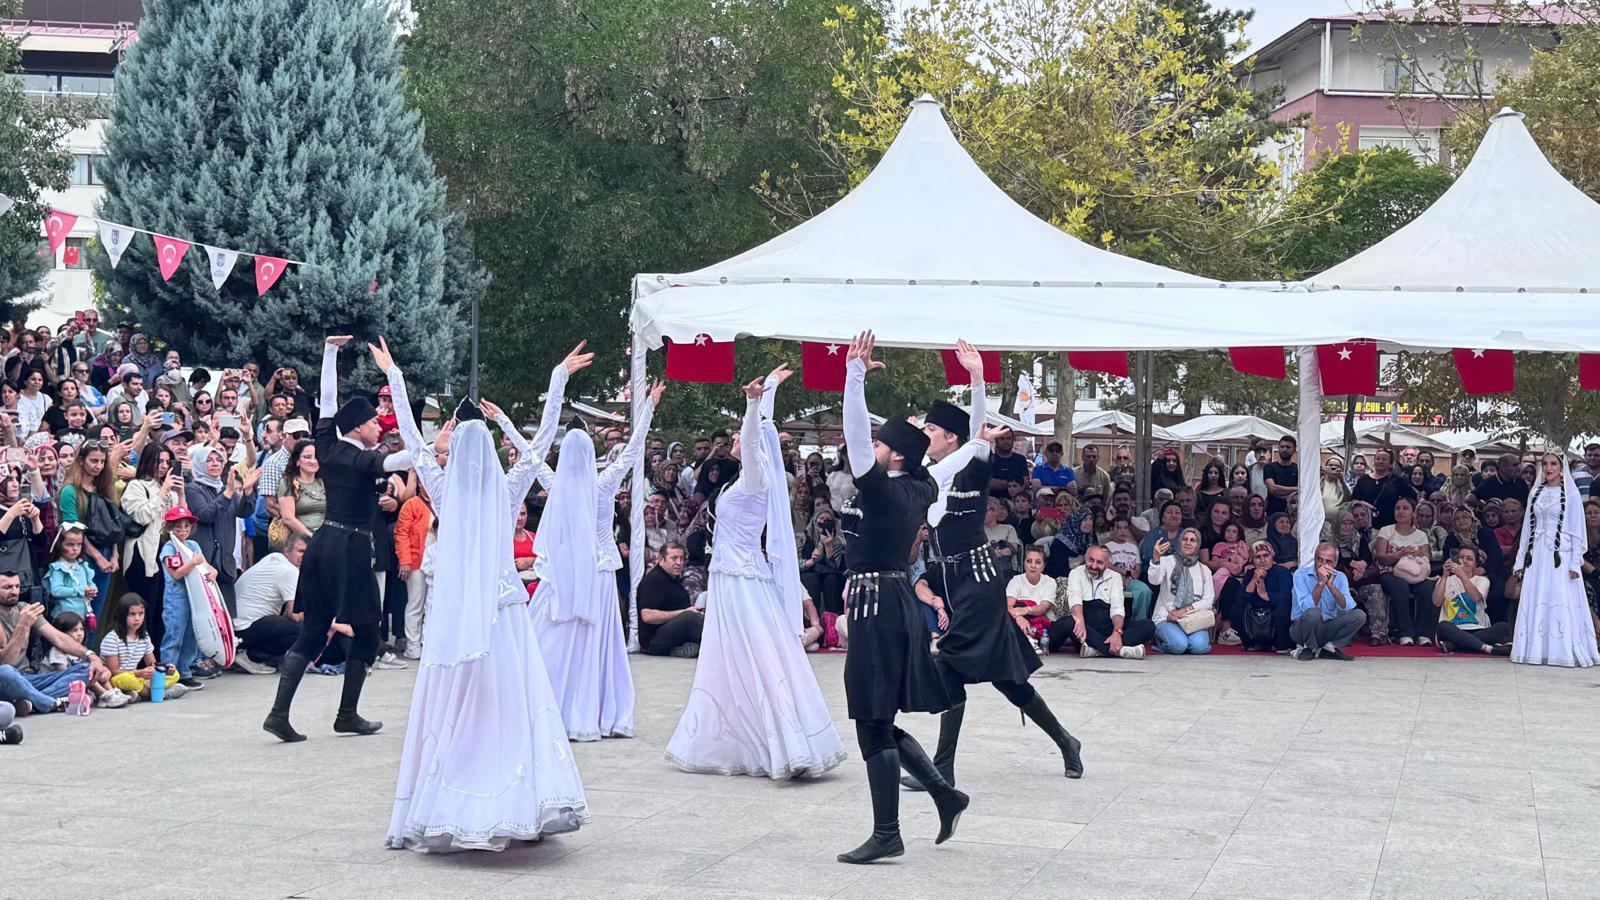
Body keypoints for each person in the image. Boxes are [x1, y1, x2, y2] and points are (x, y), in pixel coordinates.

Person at [379, 339, 590, 852]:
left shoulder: (442, 484)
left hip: (459, 617)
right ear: (492, 451)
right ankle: (522, 800)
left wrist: (396, 376)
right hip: (506, 612)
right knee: (513, 704)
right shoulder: (510, 486)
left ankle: (458, 798)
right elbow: (540, 442)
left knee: (461, 706)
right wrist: (557, 377)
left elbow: (411, 434)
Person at [905, 340, 1081, 797]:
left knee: (949, 667)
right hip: (948, 576)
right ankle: (1066, 739)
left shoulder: (974, 463)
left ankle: (941, 770)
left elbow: (978, 423)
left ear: (951, 437)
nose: (925, 434)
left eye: (931, 429)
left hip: (980, 580)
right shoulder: (929, 473)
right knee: (1007, 679)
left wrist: (978, 378)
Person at [665, 365, 845, 779]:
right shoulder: (738, 482)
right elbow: (755, 433)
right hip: (730, 576)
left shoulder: (755, 480)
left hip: (742, 577)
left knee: (758, 652)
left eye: (739, 440)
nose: (733, 443)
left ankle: (783, 737)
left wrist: (751, 403)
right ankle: (736, 735)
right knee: (730, 655)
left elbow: (751, 436)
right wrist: (769, 393)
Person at [834, 331, 966, 866]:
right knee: (878, 718)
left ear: (894, 457)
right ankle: (943, 793)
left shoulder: (889, 490)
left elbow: (855, 440)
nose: (870, 447)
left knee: (871, 718)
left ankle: (888, 832)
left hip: (878, 608)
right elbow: (955, 453)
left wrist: (855, 375)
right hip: (889, 606)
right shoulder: (921, 486)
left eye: (880, 444)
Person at [261, 336, 412, 743]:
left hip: (323, 543)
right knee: (367, 635)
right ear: (359, 426)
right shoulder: (357, 457)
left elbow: (328, 401)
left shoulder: (326, 444)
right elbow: (403, 459)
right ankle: (346, 714)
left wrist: (329, 351)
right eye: (374, 422)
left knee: (314, 630)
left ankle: (279, 714)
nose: (379, 425)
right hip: (351, 549)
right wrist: (435, 447)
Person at [530, 347, 660, 742]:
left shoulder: (556, 486)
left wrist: (503, 417)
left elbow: (533, 454)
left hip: (566, 575)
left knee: (555, 638)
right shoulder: (603, 486)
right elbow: (634, 451)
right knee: (599, 648)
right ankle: (596, 710)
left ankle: (551, 704)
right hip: (600, 572)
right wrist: (649, 409)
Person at [1511, 453, 1598, 667]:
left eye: (1553, 464)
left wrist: (1575, 561)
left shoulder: (1571, 494)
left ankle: (1563, 649)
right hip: (1538, 552)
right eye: (1545, 464)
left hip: (1561, 553)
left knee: (1560, 596)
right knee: (1538, 595)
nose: (1549, 468)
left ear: (1562, 467)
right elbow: (1527, 529)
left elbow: (1578, 530)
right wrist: (1520, 560)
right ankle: (1536, 649)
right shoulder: (1536, 492)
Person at [1058, 544, 1156, 658]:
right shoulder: (1076, 573)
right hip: (1087, 627)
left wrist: (1117, 632)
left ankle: (1097, 649)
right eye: (1091, 560)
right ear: (1085, 558)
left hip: (1108, 625)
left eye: (1099, 562)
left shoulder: (1115, 577)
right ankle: (1120, 651)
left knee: (1149, 626)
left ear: (1107, 564)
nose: (1094, 566)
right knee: (1070, 622)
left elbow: (1117, 608)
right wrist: (1079, 620)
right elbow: (1075, 598)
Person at [233, 533, 308, 672]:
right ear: (287, 551)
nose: (304, 556)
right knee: (301, 629)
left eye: (307, 552)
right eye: (300, 551)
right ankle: (251, 657)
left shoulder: (272, 559)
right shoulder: (290, 571)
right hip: (245, 629)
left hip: (236, 628)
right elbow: (294, 615)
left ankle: (246, 655)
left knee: (286, 624)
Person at [1289, 543, 1368, 661]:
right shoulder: (1300, 574)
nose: (1323, 565)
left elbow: (1348, 607)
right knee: (1313, 613)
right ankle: (1308, 647)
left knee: (1359, 615)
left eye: (1328, 561)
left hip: (1327, 626)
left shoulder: (1340, 577)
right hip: (1302, 628)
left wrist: (1331, 586)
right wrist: (1321, 584)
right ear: (1314, 560)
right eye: (1320, 560)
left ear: (1335, 563)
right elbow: (1306, 608)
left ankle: (1328, 648)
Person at [1375, 496, 1436, 647]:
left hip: (1415, 574)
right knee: (1400, 586)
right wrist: (1398, 555)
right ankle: (1405, 632)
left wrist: (1416, 554)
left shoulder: (1421, 535)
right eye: (1398, 508)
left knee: (1428, 588)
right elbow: (1381, 557)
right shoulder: (1386, 531)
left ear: (1413, 513)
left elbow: (1427, 557)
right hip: (1390, 573)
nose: (1400, 511)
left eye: (1405, 508)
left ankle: (1424, 633)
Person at [100, 594, 185, 701]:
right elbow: (114, 671)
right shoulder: (112, 638)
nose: (137, 618)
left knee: (175, 674)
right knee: (125, 679)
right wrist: (138, 673)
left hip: (138, 679)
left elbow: (152, 663)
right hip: (119, 678)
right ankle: (155, 693)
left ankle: (138, 693)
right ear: (122, 615)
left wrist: (165, 669)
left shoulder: (144, 636)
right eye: (132, 614)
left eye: (141, 614)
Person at [1147, 528, 1215, 655]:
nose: (1188, 543)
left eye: (1192, 540)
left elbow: (1208, 601)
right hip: (1167, 617)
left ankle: (1182, 639)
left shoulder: (1204, 570)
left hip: (1193, 619)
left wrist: (1183, 611)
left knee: (1199, 647)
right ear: (1180, 542)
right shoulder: (1167, 561)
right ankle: (1160, 641)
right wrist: (1156, 558)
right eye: (1185, 539)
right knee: (1179, 646)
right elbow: (1154, 580)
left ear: (1198, 544)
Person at [1433, 545, 1510, 655]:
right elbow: (1436, 602)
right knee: (1443, 626)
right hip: (1453, 629)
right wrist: (1445, 575)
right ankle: (1488, 648)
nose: (1464, 561)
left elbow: (1476, 597)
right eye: (1461, 557)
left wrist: (1462, 575)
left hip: (1477, 628)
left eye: (1469, 559)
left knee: (1504, 627)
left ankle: (1456, 645)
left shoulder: (1483, 580)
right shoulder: (1446, 580)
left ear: (1475, 564)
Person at [636, 544, 703, 657]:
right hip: (653, 641)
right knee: (691, 618)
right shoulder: (654, 580)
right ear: (661, 559)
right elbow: (647, 616)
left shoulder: (674, 579)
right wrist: (684, 612)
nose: (679, 563)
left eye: (681, 559)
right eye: (674, 558)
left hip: (672, 633)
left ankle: (685, 648)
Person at [275, 439, 326, 544]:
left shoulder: (324, 483)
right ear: (297, 460)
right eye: (307, 457)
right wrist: (311, 538)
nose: (313, 461)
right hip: (300, 542)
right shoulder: (288, 483)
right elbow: (288, 518)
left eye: (316, 457)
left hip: (326, 539)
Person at [1006, 546, 1055, 653]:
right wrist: (1019, 617)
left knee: (1022, 605)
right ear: (1024, 564)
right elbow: (1009, 606)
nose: (1033, 566)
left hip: (1043, 627)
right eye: (1029, 561)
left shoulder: (1050, 582)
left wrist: (1026, 610)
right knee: (1015, 607)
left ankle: (1031, 640)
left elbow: (1043, 608)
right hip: (1020, 624)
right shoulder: (1016, 580)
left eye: (1038, 562)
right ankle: (1029, 640)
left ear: (1043, 567)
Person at [1353, 448, 1415, 529]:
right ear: (1374, 461)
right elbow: (1353, 500)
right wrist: (1362, 503)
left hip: (1390, 525)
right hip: (1366, 526)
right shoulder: (1363, 479)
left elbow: (1412, 499)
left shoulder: (1398, 480)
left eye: (1384, 459)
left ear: (1390, 463)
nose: (1380, 461)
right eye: (1378, 459)